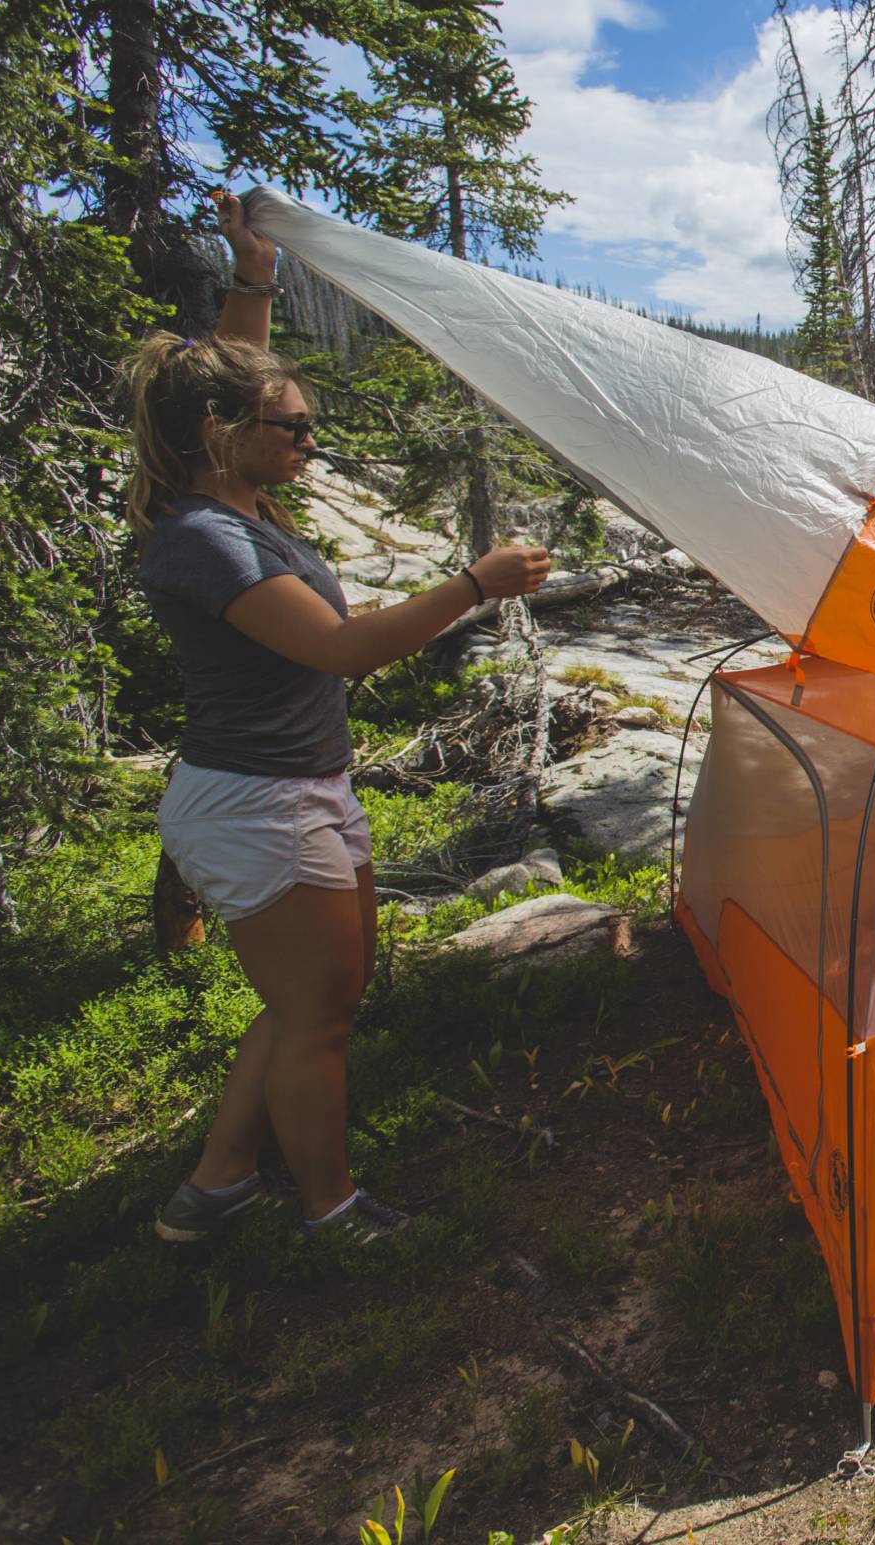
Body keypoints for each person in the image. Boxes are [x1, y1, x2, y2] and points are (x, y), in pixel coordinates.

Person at [128, 190, 553, 1242]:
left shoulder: (230, 485)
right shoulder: (207, 542)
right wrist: (476, 583)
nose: (311, 443)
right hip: (256, 805)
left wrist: (256, 273)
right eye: (295, 429)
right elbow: (342, 649)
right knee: (318, 1019)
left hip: (299, 789)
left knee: (313, 1004)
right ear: (221, 438)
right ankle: (332, 1211)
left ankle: (217, 1183)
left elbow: (228, 373)